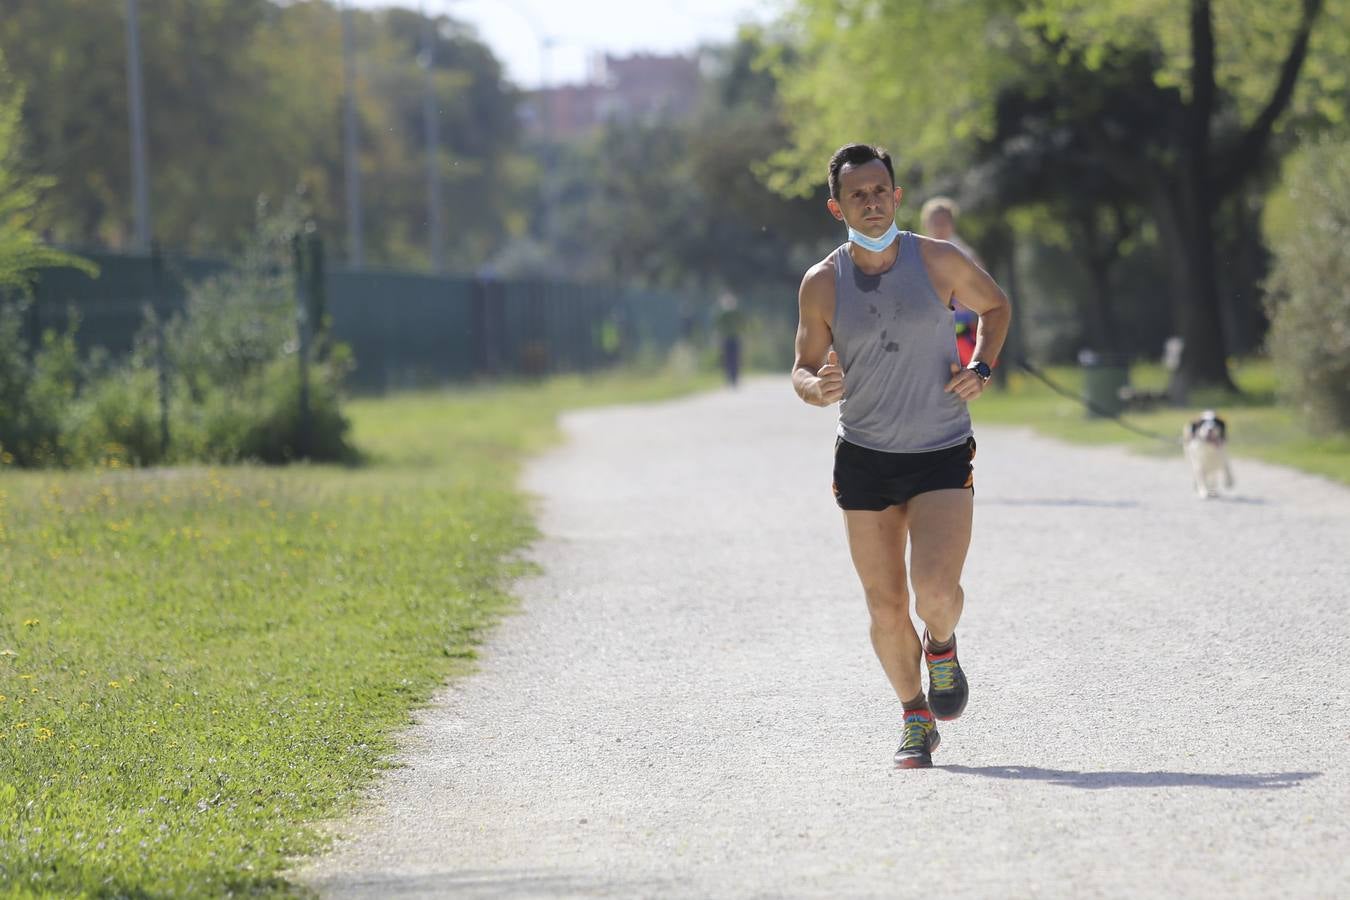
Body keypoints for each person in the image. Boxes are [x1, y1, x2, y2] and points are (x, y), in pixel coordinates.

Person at [791, 144, 1012, 768]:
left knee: (934, 593)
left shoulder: (938, 260)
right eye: (857, 193)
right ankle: (916, 716)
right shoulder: (822, 282)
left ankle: (941, 646)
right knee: (885, 605)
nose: (871, 200)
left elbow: (995, 307)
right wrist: (816, 388)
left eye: (879, 189)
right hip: (864, 456)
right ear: (838, 206)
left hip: (940, 449)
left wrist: (982, 364)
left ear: (897, 195)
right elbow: (804, 367)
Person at [920, 197, 984, 367]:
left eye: (944, 222)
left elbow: (984, 289)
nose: (940, 226)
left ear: (952, 224)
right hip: (929, 328)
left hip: (961, 327)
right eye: (935, 222)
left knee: (967, 378)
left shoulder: (965, 254)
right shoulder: (917, 252)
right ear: (926, 224)